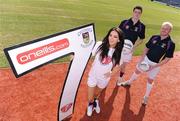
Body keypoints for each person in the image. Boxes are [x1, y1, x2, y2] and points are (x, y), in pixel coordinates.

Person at [120, 22, 175, 105]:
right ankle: (129, 82)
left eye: (166, 29)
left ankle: (146, 97)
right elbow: (146, 48)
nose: (163, 30)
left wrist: (153, 67)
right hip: (146, 59)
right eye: (163, 28)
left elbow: (167, 59)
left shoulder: (170, 44)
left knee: (150, 80)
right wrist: (141, 59)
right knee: (137, 71)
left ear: (169, 30)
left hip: (156, 64)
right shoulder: (154, 37)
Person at [86, 27, 124, 116]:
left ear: (119, 40)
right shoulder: (99, 45)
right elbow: (88, 55)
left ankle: (95, 102)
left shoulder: (118, 53)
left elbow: (118, 66)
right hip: (93, 76)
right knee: (90, 97)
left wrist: (111, 73)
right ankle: (90, 104)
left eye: (115, 36)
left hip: (104, 79)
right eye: (110, 35)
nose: (111, 38)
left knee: (96, 94)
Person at [117, 6, 146, 86]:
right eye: (135, 12)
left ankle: (120, 78)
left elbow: (141, 39)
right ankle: (107, 77)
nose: (137, 14)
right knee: (115, 63)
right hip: (120, 47)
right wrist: (118, 42)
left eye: (139, 13)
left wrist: (134, 46)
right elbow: (117, 33)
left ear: (141, 14)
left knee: (124, 65)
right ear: (133, 12)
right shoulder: (124, 22)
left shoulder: (141, 26)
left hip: (129, 49)